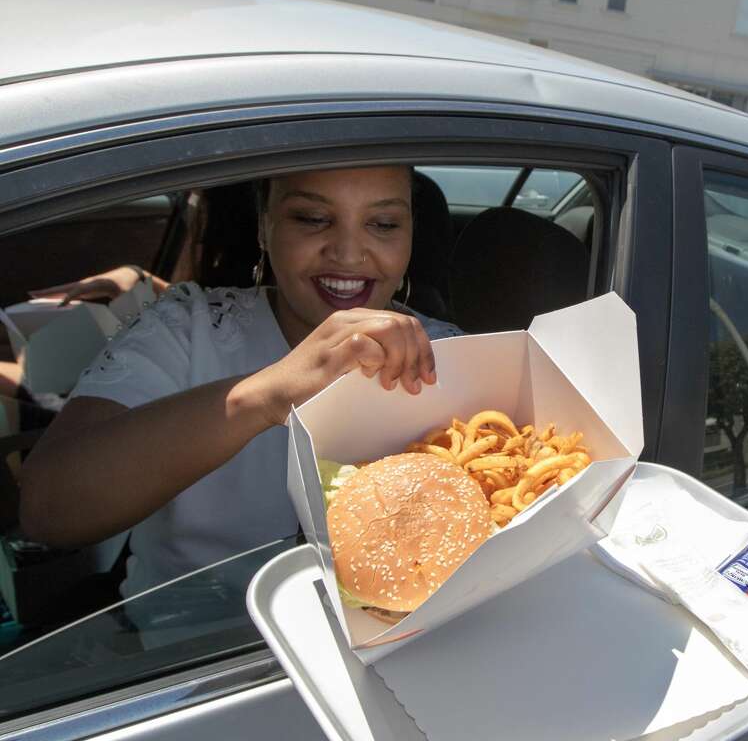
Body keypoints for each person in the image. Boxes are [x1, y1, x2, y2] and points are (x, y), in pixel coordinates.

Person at [17, 164, 460, 599]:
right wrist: (264, 396)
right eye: (312, 218)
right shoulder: (187, 329)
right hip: (180, 652)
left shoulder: (455, 355)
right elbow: (47, 510)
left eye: (383, 224)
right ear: (265, 228)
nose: (348, 252)